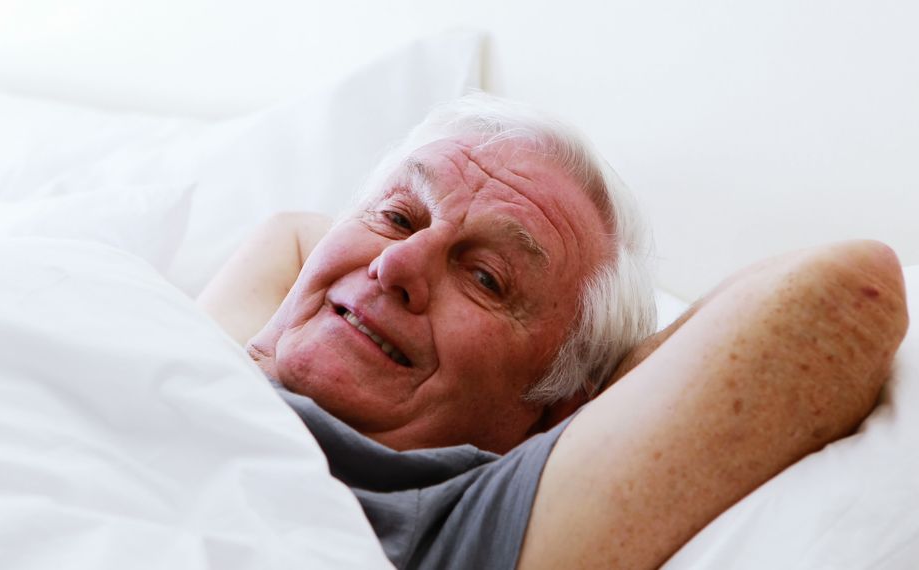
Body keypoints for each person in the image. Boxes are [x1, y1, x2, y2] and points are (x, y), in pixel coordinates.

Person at [197, 94, 908, 569]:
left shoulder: (450, 520)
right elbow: (290, 231)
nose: (395, 266)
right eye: (398, 217)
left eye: (486, 279)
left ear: (555, 414)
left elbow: (851, 293)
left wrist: (590, 401)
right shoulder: (215, 349)